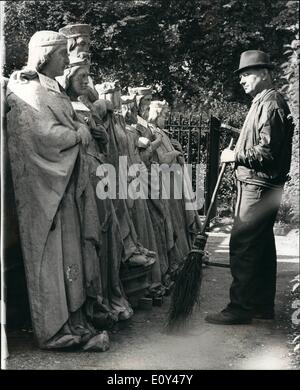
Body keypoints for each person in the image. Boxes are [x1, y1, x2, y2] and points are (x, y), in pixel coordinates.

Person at [6, 31, 109, 351]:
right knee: (54, 260)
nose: (67, 60)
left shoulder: (50, 88)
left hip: (66, 190)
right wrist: (78, 134)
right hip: (48, 194)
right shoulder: (28, 89)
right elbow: (40, 136)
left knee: (72, 259)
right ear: (44, 55)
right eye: (62, 54)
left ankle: (75, 320)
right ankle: (55, 327)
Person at [205, 50, 294, 325]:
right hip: (258, 184)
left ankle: (240, 308)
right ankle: (260, 305)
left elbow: (267, 152)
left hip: (258, 185)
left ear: (265, 74)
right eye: (241, 75)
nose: (242, 80)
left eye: (248, 74)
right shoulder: (262, 102)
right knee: (262, 245)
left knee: (243, 244)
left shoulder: (271, 104)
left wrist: (235, 156)